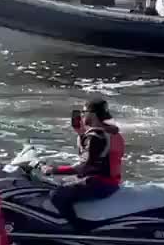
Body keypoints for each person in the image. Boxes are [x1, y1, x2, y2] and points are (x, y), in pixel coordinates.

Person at [41, 98, 124, 231]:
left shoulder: (95, 137)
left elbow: (85, 166)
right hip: (110, 181)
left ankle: (78, 229)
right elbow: (97, 159)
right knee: (59, 182)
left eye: (84, 112)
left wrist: (54, 170)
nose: (81, 116)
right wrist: (81, 134)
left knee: (56, 195)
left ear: (93, 114)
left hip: (100, 184)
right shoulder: (112, 133)